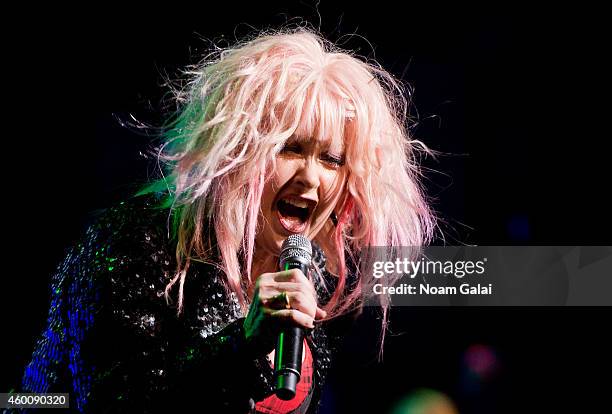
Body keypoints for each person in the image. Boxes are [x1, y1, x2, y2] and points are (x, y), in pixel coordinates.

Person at [15, 28, 435, 413]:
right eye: (290, 148)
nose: (310, 177)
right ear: (238, 152)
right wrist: (244, 345)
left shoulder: (308, 275)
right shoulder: (144, 240)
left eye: (331, 159)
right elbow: (110, 400)